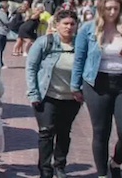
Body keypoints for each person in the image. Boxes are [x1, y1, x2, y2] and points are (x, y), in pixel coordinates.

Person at [71, 0, 122, 178]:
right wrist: (75, 86)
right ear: (101, 9)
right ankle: (103, 174)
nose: (112, 12)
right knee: (101, 131)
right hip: (96, 82)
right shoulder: (88, 29)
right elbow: (79, 58)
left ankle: (116, 162)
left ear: (121, 9)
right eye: (108, 9)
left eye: (115, 8)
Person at [26, 9, 82, 178]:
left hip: (71, 97)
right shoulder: (45, 43)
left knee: (64, 132)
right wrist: (33, 94)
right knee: (46, 131)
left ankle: (59, 166)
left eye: (72, 24)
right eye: (65, 24)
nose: (69, 27)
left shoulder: (80, 45)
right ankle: (45, 169)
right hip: (47, 96)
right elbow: (31, 68)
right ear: (57, 25)